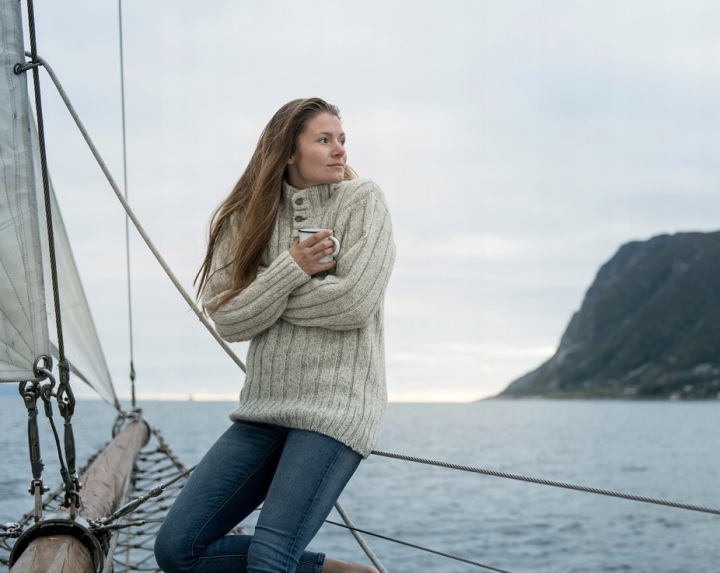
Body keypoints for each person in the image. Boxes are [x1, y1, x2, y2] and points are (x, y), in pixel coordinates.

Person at [154, 98, 395, 573]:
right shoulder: (245, 217)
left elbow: (352, 303)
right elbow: (229, 320)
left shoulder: (364, 200)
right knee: (177, 551)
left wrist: (264, 300)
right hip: (263, 409)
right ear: (288, 151)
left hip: (334, 410)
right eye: (323, 140)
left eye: (341, 139)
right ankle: (333, 572)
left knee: (270, 562)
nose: (339, 150)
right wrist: (293, 267)